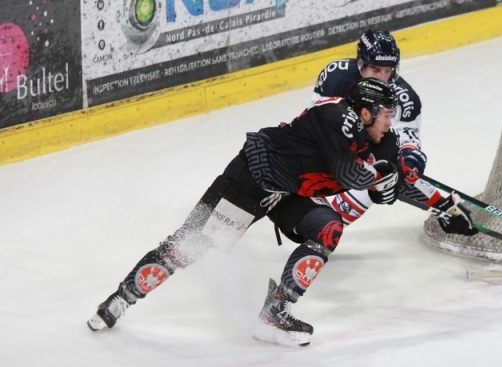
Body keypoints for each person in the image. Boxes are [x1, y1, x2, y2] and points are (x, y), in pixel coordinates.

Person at [87, 78, 477, 347]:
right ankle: (120, 300)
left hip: (290, 192)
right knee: (188, 248)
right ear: (364, 113)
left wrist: (443, 205)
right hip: (254, 180)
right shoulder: (335, 115)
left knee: (328, 229)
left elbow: (393, 186)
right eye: (387, 114)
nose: (392, 123)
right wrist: (381, 174)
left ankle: (276, 311)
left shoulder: (382, 137)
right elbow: (349, 174)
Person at [312, 29, 427, 227]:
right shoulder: (336, 77)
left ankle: (327, 227)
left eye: (388, 70)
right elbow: (317, 123)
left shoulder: (406, 98)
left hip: (366, 149)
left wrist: (409, 160)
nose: (383, 77)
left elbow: (407, 139)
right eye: (375, 69)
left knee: (383, 167)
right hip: (332, 145)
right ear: (360, 64)